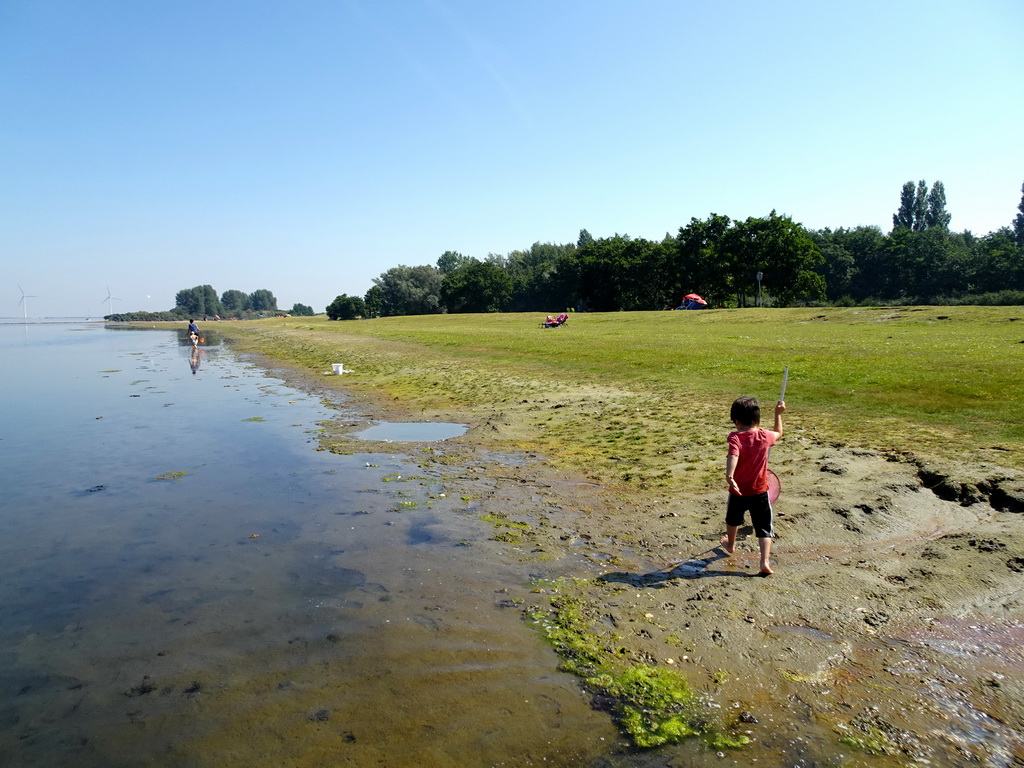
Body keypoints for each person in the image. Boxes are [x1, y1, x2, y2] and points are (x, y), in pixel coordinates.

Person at [721, 395, 785, 575]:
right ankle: (764, 561)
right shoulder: (765, 436)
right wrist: (778, 414)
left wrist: (730, 475)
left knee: (733, 520)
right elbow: (779, 433)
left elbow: (733, 455)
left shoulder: (736, 437)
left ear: (736, 420)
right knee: (764, 527)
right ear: (757, 419)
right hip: (760, 491)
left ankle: (731, 544)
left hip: (739, 490)